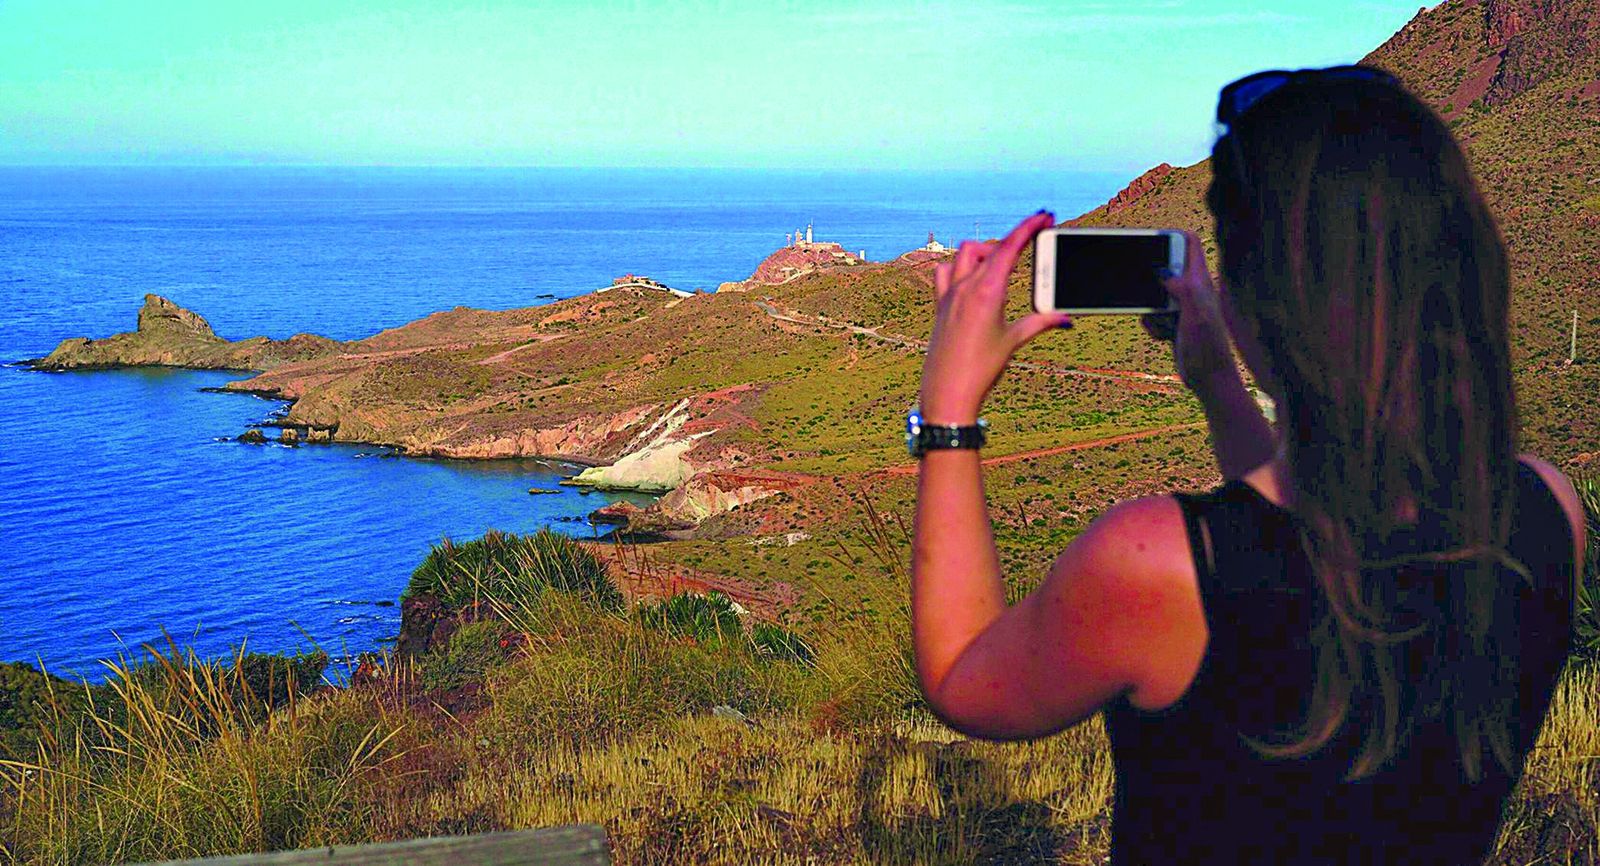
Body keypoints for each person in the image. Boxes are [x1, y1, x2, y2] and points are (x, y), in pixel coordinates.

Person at [909, 66, 1586, 863]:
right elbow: (1310, 544)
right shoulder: (1547, 515)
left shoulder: (1153, 565)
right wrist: (1217, 382)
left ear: (1259, 303)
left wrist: (948, 414)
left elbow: (962, 675)